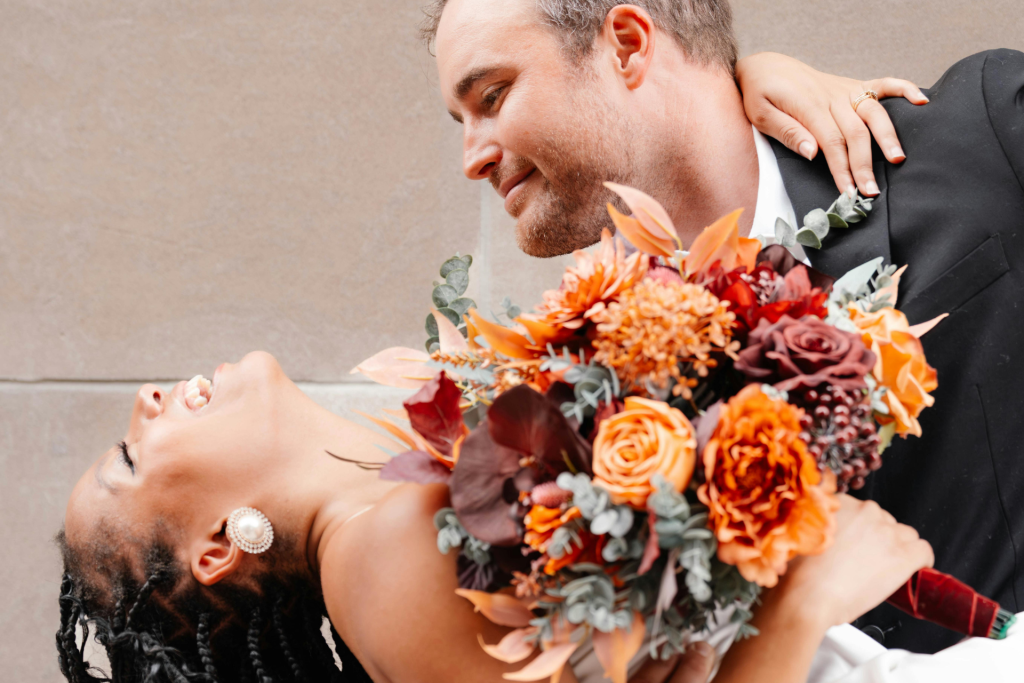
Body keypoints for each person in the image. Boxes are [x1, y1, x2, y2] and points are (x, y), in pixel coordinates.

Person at [428, 0, 1024, 653]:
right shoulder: (579, 405)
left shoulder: (982, 133)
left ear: (627, 45)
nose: (471, 159)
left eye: (493, 94)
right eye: (459, 121)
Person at [58, 352, 937, 683]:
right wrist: (805, 600)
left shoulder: (393, 516)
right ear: (218, 548)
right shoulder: (386, 557)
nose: (145, 397)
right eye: (130, 457)